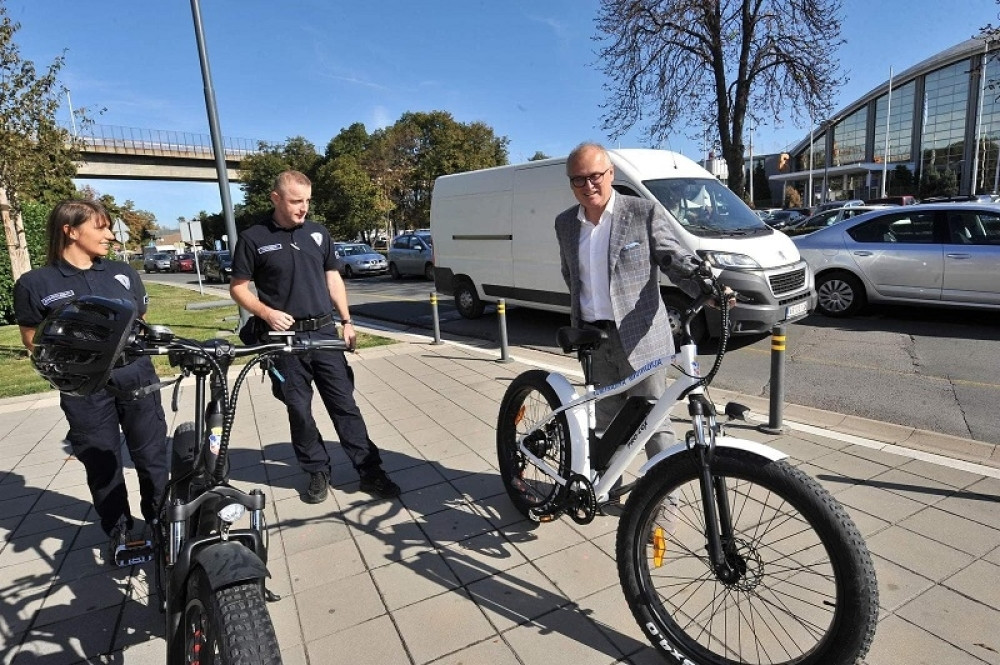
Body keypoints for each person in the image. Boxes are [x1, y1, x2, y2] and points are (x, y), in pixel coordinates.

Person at [229, 170, 400, 503]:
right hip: (285, 340)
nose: (303, 208)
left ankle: (370, 471)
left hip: (323, 333)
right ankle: (317, 470)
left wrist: (347, 322)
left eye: (307, 200)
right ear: (275, 199)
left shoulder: (319, 234)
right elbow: (238, 288)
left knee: (345, 406)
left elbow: (333, 280)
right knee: (300, 410)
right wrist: (265, 313)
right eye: (295, 201)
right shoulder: (254, 238)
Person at [14, 200, 168, 564]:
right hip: (84, 389)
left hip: (136, 377)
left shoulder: (121, 273)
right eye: (100, 227)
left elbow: (140, 319)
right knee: (102, 461)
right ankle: (120, 531)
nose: (110, 235)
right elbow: (31, 337)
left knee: (152, 456)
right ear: (70, 230)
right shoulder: (36, 283)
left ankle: (162, 523)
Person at [555, 142, 721, 460]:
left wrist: (705, 286)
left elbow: (673, 258)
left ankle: (665, 501)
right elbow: (570, 275)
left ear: (610, 173)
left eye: (595, 176)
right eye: (578, 179)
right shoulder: (565, 224)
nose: (588, 185)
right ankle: (607, 489)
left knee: (654, 423)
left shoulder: (642, 213)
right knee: (606, 419)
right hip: (594, 339)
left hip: (641, 337)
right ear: (571, 182)